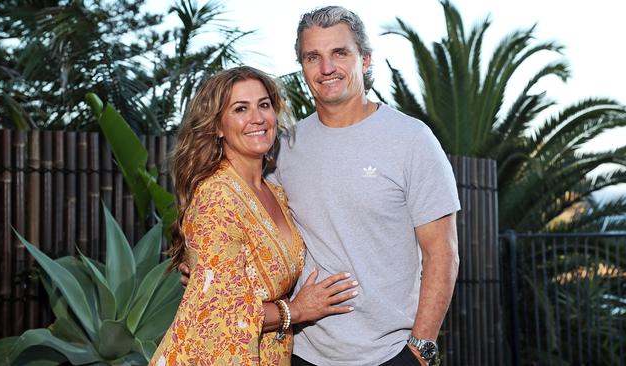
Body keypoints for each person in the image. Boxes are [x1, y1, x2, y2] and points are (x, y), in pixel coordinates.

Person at [181, 6, 460, 365]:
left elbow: (443, 253)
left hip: (389, 354)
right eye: (313, 56)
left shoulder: (412, 140)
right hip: (300, 353)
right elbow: (246, 225)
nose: (326, 68)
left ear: (365, 60)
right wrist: (206, 268)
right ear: (303, 67)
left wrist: (421, 349)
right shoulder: (283, 147)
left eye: (339, 53)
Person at [151, 66, 358, 366]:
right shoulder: (217, 196)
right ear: (217, 126)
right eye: (240, 109)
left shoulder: (275, 193)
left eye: (264, 105)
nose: (258, 118)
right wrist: (296, 310)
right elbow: (221, 312)